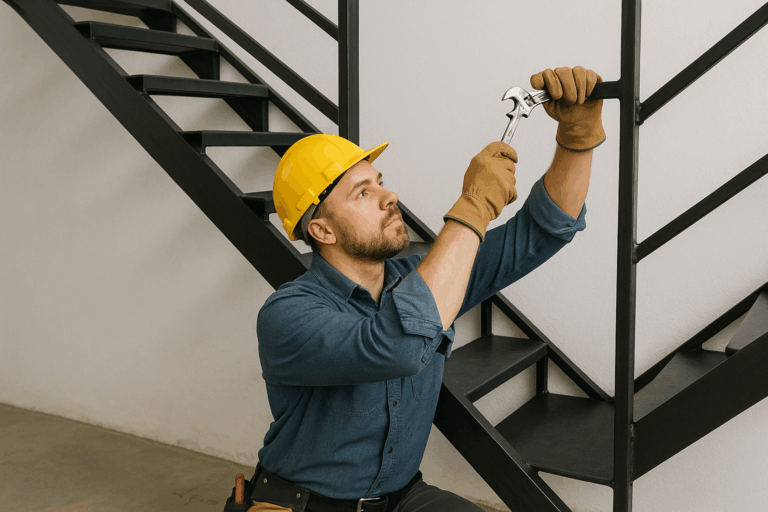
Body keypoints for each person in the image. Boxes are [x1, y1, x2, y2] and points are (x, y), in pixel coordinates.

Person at [227, 66, 605, 512]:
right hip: (306, 505)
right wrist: (473, 206)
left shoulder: (423, 278)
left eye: (381, 183)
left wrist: (577, 138)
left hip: (403, 500)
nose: (390, 197)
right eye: (362, 194)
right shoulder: (287, 314)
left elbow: (544, 229)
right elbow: (397, 345)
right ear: (322, 230)